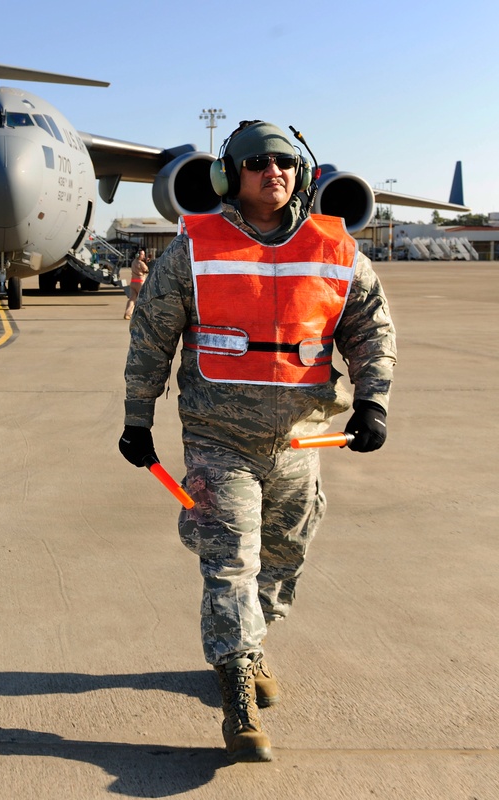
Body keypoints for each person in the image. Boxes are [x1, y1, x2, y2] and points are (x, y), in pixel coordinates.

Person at [117, 120, 396, 763]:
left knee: (284, 556)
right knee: (229, 560)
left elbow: (368, 330)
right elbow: (152, 336)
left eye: (286, 162)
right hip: (221, 439)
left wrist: (374, 401)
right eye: (258, 162)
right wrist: (138, 416)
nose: (275, 171)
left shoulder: (335, 247)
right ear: (229, 175)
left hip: (305, 442)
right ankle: (236, 683)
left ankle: (255, 639)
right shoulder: (193, 247)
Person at [123, 249, 149, 319]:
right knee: (144, 299)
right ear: (138, 255)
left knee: (132, 299)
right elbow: (147, 270)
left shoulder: (133, 262)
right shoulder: (141, 263)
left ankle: (127, 313)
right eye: (142, 254)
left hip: (133, 282)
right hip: (140, 282)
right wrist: (147, 263)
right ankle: (145, 315)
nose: (143, 256)